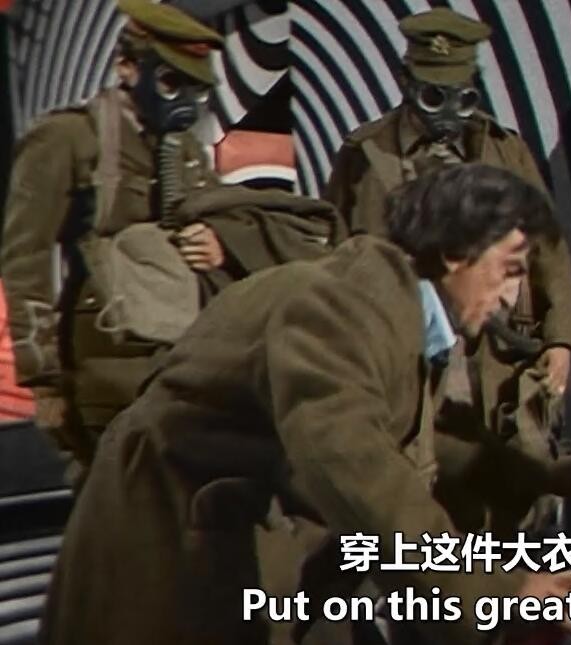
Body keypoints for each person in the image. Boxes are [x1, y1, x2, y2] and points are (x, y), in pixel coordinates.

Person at [39, 164, 571, 645]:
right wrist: (499, 591)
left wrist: (529, 479)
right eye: (509, 270)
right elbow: (353, 460)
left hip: (218, 542)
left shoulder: (390, 307)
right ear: (458, 252)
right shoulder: (342, 307)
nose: (510, 296)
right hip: (166, 555)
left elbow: (414, 428)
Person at [1, 0, 338, 471]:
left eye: (195, 89)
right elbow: (25, 259)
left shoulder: (181, 151)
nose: (183, 102)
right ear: (127, 67)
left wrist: (218, 242)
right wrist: (44, 379)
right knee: (124, 491)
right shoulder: (69, 138)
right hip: (109, 350)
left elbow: (220, 208)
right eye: (170, 82)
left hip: (183, 349)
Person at [323, 8, 571, 534]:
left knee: (495, 476)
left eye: (461, 97)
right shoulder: (365, 154)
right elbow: (332, 248)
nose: (446, 114)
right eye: (432, 95)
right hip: (402, 341)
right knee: (410, 466)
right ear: (406, 82)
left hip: (492, 347)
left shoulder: (504, 151)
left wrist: (561, 339)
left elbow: (548, 248)